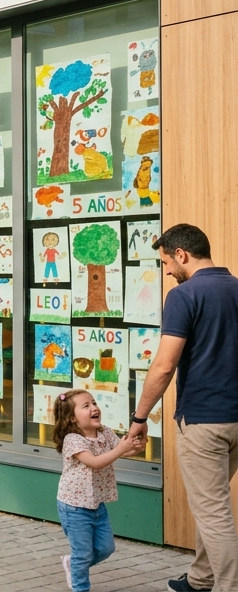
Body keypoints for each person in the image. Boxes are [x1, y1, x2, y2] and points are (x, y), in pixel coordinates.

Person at [128, 224, 238, 592]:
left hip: (204, 420)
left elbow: (163, 365)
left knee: (213, 513)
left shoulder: (185, 295)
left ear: (182, 254)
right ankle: (200, 578)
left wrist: (139, 417)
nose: (168, 272)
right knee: (213, 504)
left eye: (167, 263)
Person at [54, 389, 143, 592]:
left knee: (105, 548)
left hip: (96, 503)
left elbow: (123, 449)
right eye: (86, 406)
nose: (94, 408)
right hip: (74, 507)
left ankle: (72, 564)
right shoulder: (73, 439)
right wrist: (121, 449)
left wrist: (135, 445)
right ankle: (80, 587)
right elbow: (94, 462)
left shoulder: (104, 431)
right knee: (83, 553)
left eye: (94, 403)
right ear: (71, 418)